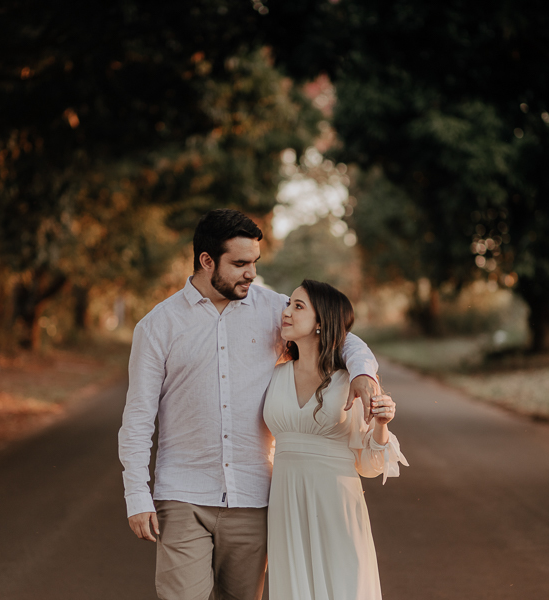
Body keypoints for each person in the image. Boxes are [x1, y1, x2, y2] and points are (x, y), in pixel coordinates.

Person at [118, 209, 381, 600]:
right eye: (239, 264)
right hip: (184, 494)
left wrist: (362, 373)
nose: (250, 273)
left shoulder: (273, 310)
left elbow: (341, 333)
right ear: (207, 261)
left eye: (254, 262)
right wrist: (137, 495)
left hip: (254, 497)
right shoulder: (158, 326)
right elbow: (138, 417)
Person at [264, 279, 408, 600]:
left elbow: (369, 466)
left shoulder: (350, 383)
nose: (286, 312)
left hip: (336, 505)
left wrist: (382, 423)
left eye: (298, 306)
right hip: (286, 504)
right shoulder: (273, 376)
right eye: (288, 304)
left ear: (321, 323)